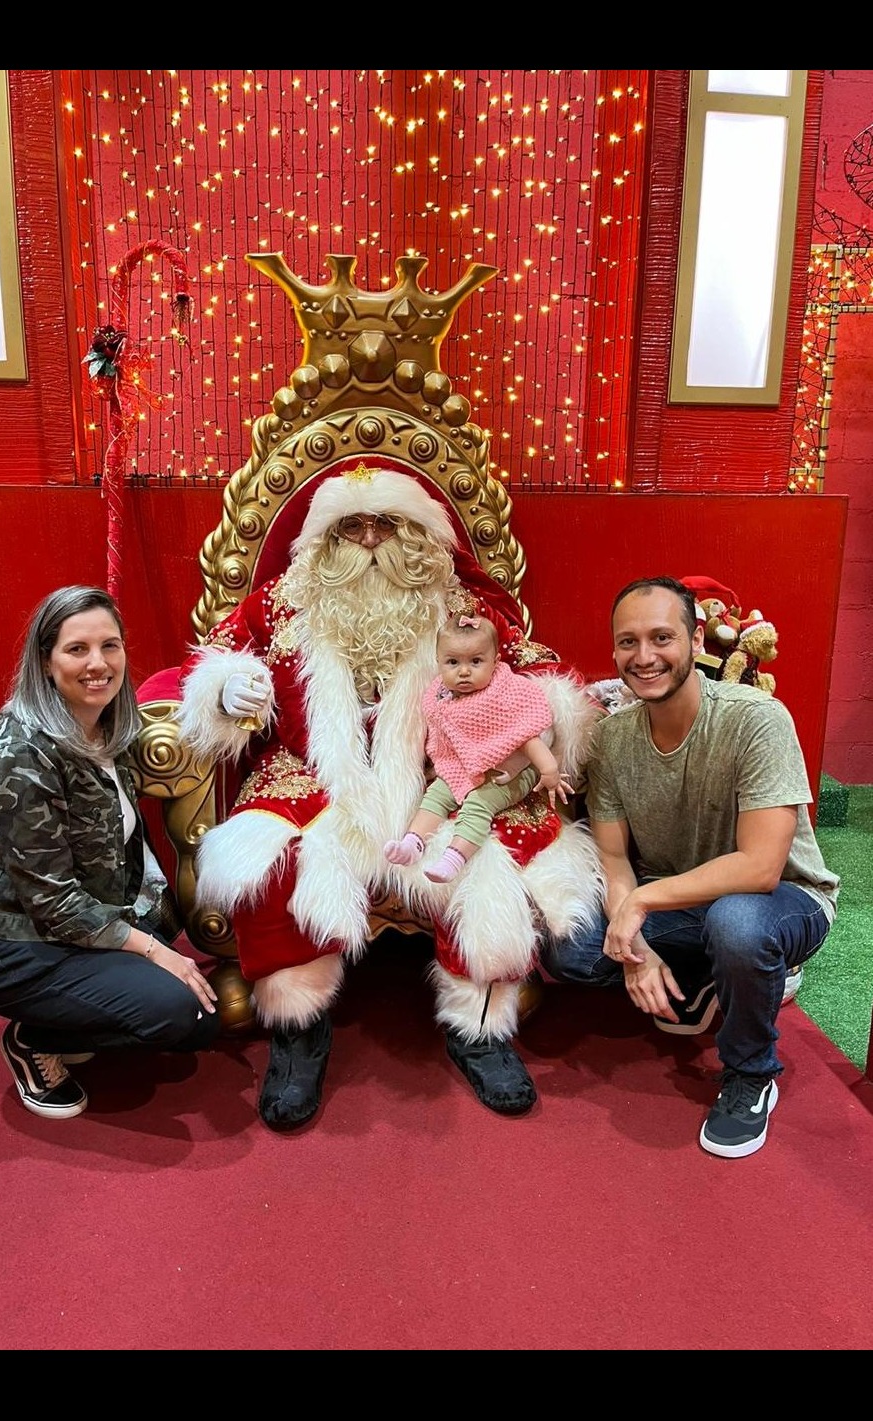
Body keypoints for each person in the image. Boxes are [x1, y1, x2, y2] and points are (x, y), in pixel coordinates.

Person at [176, 463, 603, 1129]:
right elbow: (213, 659)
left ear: (418, 534)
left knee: (485, 857)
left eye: (388, 524)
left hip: (441, 773)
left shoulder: (460, 604)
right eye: (353, 526)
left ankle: (479, 1024)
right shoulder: (281, 602)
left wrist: (536, 718)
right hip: (313, 774)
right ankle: (299, 1025)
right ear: (327, 538)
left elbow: (537, 667)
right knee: (268, 853)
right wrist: (227, 687)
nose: (372, 539)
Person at [538, 575, 840, 1159]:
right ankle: (708, 975)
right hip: (677, 902)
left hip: (782, 899)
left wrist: (640, 904)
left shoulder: (756, 720)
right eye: (628, 642)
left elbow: (760, 867)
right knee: (569, 948)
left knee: (738, 924)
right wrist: (635, 946)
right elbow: (613, 859)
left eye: (661, 637)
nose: (644, 657)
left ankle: (751, 1073)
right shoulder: (612, 741)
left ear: (696, 639)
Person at [0, 585, 220, 1121]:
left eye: (109, 646)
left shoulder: (105, 726)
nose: (98, 664)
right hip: (9, 943)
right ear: (45, 662)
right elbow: (51, 902)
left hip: (75, 922)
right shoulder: (22, 753)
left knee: (185, 965)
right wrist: (153, 950)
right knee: (183, 1013)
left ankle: (73, 1012)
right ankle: (33, 1038)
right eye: (77, 649)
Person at [385, 613, 574, 883]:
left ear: (495, 661)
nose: (464, 671)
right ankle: (413, 842)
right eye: (453, 662)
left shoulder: (507, 692)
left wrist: (549, 771)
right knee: (436, 795)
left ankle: (454, 857)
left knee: (478, 803)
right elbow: (442, 739)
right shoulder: (439, 696)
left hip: (514, 771)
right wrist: (442, 766)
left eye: (476, 661)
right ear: (438, 662)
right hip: (463, 766)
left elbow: (528, 736)